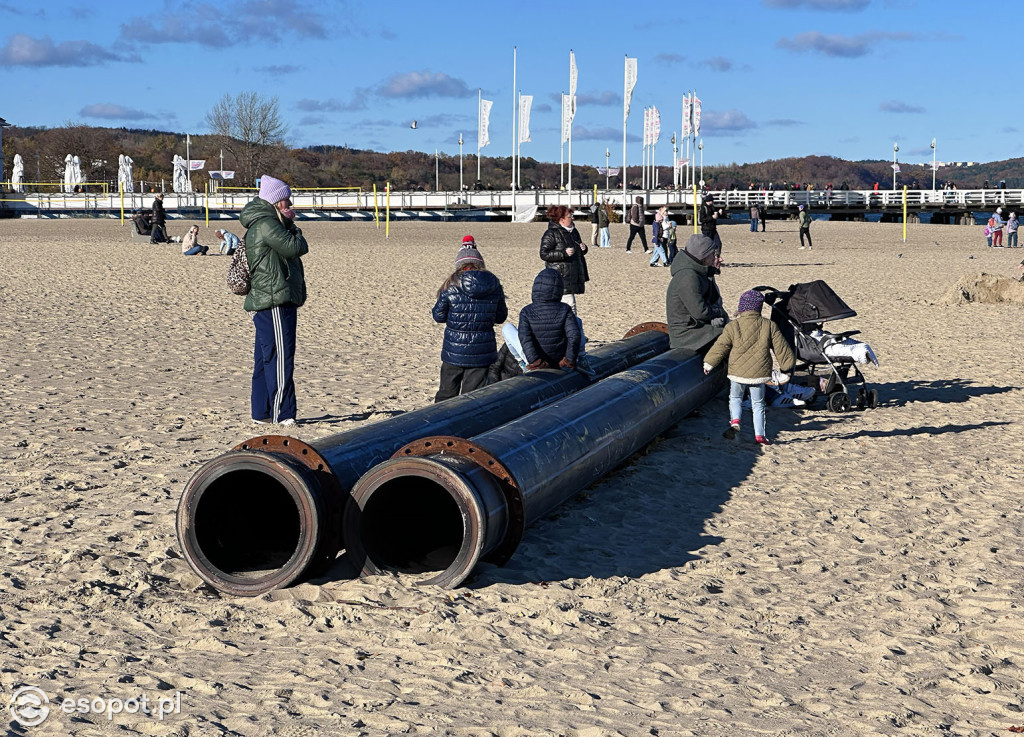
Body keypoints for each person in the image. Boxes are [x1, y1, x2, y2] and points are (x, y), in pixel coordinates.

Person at [241, 175, 308, 426]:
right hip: (274, 298)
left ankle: (261, 412)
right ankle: (283, 413)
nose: (290, 204)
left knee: (265, 357)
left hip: (267, 298)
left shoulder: (261, 222)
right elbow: (296, 247)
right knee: (280, 357)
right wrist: (294, 227)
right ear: (276, 201)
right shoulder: (268, 224)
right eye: (286, 200)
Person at [702, 289, 796, 446]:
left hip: (737, 372)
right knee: (758, 404)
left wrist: (709, 363)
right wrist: (787, 367)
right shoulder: (768, 325)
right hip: (759, 373)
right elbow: (782, 348)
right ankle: (760, 435)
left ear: (741, 308)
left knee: (735, 398)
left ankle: (735, 421)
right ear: (758, 308)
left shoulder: (733, 326)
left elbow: (721, 346)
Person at [432, 240, 508, 402]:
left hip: (454, 349)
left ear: (459, 265)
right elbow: (501, 317)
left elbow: (438, 316)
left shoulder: (451, 285)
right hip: (482, 351)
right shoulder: (494, 285)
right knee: (471, 398)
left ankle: (439, 424)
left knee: (446, 395)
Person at [666, 234, 728, 351]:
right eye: (713, 254)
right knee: (735, 335)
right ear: (703, 257)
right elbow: (700, 312)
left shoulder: (698, 273)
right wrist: (719, 313)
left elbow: (711, 300)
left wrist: (712, 272)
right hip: (687, 335)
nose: (719, 258)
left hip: (697, 328)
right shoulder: (688, 276)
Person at [518, 269, 581, 370]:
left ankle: (524, 362)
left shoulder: (526, 311)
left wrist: (535, 361)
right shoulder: (565, 309)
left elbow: (525, 338)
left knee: (507, 328)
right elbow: (574, 336)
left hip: (538, 360)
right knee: (577, 321)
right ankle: (581, 357)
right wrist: (569, 359)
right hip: (559, 358)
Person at [539, 205, 589, 314]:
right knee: (570, 306)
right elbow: (544, 254)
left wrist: (583, 248)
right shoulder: (551, 233)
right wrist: (563, 253)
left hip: (572, 273)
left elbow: (578, 248)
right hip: (560, 275)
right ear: (561, 220)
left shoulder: (574, 231)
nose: (572, 218)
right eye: (570, 216)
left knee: (568, 306)